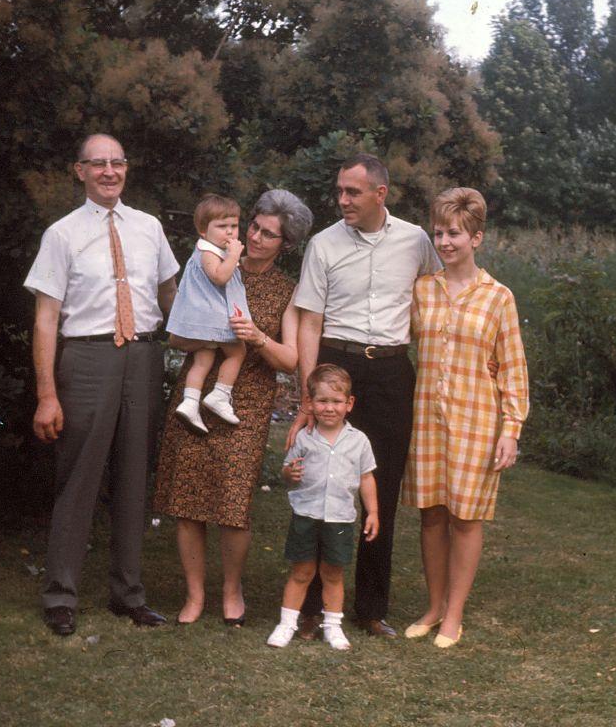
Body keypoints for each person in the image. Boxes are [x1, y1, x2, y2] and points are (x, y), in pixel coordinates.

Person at [25, 133, 179, 635]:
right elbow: (46, 319)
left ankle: (127, 593)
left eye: (117, 163)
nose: (109, 171)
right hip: (87, 357)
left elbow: (171, 295)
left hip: (142, 355)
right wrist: (47, 395)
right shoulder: (61, 234)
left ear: (126, 169)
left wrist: (209, 338)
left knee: (135, 477)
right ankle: (61, 595)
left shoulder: (149, 227)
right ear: (80, 171)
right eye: (98, 164)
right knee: (79, 478)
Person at [288, 153, 440, 639]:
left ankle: (371, 609)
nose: (342, 200)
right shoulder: (323, 244)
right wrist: (308, 396)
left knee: (383, 487)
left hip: (393, 372)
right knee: (323, 483)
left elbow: (439, 293)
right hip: (338, 364)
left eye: (353, 192)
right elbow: (310, 320)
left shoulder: (416, 240)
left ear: (381, 194)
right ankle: (311, 608)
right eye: (339, 192)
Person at [153, 189, 312, 626]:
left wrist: (255, 337)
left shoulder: (287, 291)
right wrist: (214, 338)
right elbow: (176, 336)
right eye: (254, 227)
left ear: (286, 244)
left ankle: (231, 590)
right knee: (186, 499)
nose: (256, 238)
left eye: (269, 234)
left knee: (233, 502)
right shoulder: (210, 266)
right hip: (196, 394)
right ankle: (194, 594)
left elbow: (291, 359)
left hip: (248, 405)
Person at [400, 187, 529, 648]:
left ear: (476, 237)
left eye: (454, 233)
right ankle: (434, 606)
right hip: (427, 419)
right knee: (431, 514)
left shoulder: (499, 298)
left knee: (466, 518)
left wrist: (510, 430)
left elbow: (513, 368)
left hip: (477, 420)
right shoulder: (422, 291)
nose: (445, 242)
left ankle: (455, 613)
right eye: (438, 233)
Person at [267, 364, 379, 651]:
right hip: (306, 515)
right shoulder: (304, 438)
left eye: (336, 401)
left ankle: (333, 626)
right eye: (323, 401)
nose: (330, 408)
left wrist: (374, 512)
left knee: (333, 573)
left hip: (340, 518)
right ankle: (287, 624)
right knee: (301, 571)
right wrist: (287, 474)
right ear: (309, 403)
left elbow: (366, 478)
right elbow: (287, 471)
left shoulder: (359, 441)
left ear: (349, 404)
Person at [166, 193, 251, 433]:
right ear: (203, 231)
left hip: (201, 319)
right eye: (222, 226)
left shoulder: (213, 250)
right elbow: (220, 277)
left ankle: (190, 402)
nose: (230, 232)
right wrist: (234, 255)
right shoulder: (207, 251)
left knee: (203, 359)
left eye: (234, 226)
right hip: (212, 317)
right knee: (237, 352)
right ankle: (220, 395)